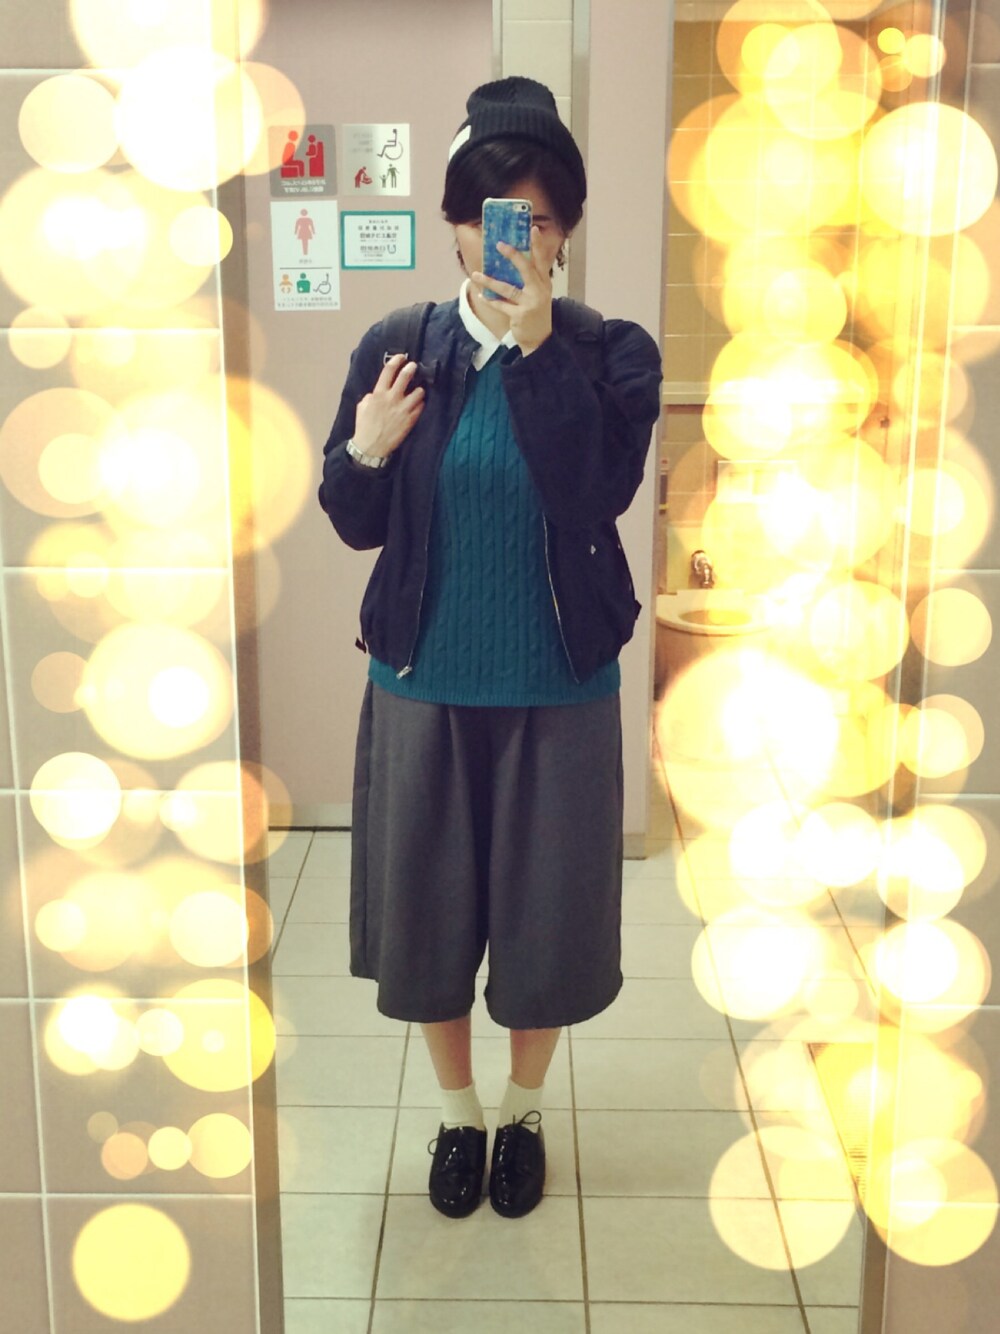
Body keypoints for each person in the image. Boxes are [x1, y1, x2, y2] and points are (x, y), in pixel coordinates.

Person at [319, 77, 662, 1220]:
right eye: (481, 214)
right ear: (453, 224)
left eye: (533, 217)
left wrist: (537, 348)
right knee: (426, 918)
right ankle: (458, 1116)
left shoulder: (611, 353)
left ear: (563, 232)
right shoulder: (398, 347)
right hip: (422, 684)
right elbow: (353, 519)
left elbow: (593, 491)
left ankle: (521, 1115)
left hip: (560, 687)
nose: (502, 237)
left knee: (546, 920)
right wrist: (368, 448)